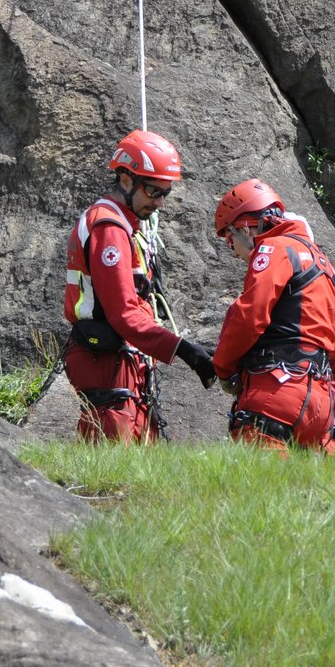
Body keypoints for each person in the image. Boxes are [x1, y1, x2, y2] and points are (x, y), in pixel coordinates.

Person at [62, 129, 217, 443]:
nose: (159, 202)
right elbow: (122, 315)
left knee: (137, 453)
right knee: (112, 457)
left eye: (165, 193)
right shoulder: (109, 228)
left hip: (119, 359)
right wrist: (186, 352)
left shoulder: (124, 227)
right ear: (126, 180)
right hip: (103, 360)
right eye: (153, 191)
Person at [211, 179, 335, 455]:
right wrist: (322, 398)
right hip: (320, 408)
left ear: (245, 227)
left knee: (257, 495)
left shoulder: (274, 249)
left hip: (274, 395)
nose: (234, 252)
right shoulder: (329, 272)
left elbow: (249, 316)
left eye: (230, 240)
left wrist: (223, 368)